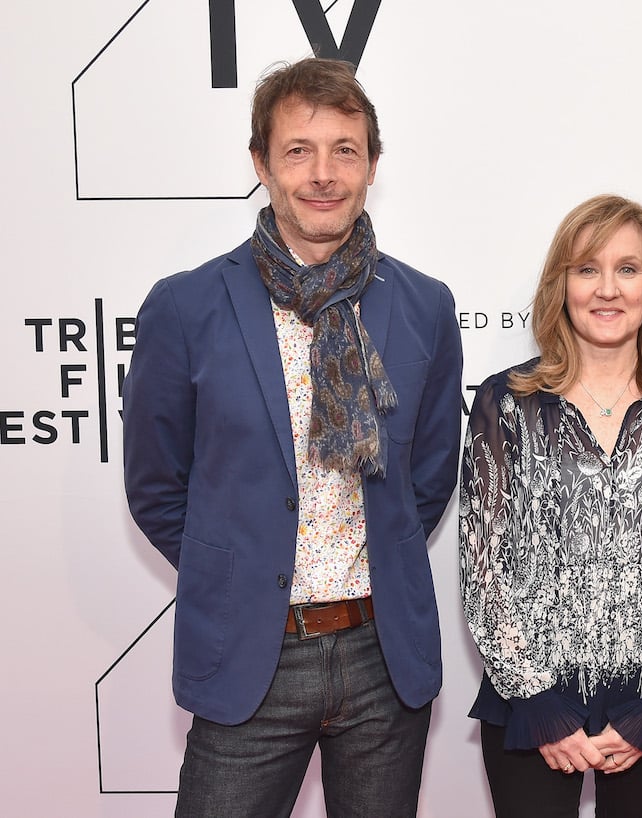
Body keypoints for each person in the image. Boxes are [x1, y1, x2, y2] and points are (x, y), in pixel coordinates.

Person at [123, 57, 462, 818]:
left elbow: (430, 477)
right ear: (260, 163)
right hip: (251, 656)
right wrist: (240, 569)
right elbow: (156, 488)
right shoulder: (186, 307)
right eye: (298, 149)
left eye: (345, 149)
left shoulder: (423, 306)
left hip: (384, 659)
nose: (323, 173)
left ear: (373, 164)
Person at [459, 194, 642, 818]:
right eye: (587, 269)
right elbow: (484, 566)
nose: (607, 289)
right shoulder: (506, 403)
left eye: (627, 269)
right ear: (562, 285)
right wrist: (538, 703)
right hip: (530, 699)